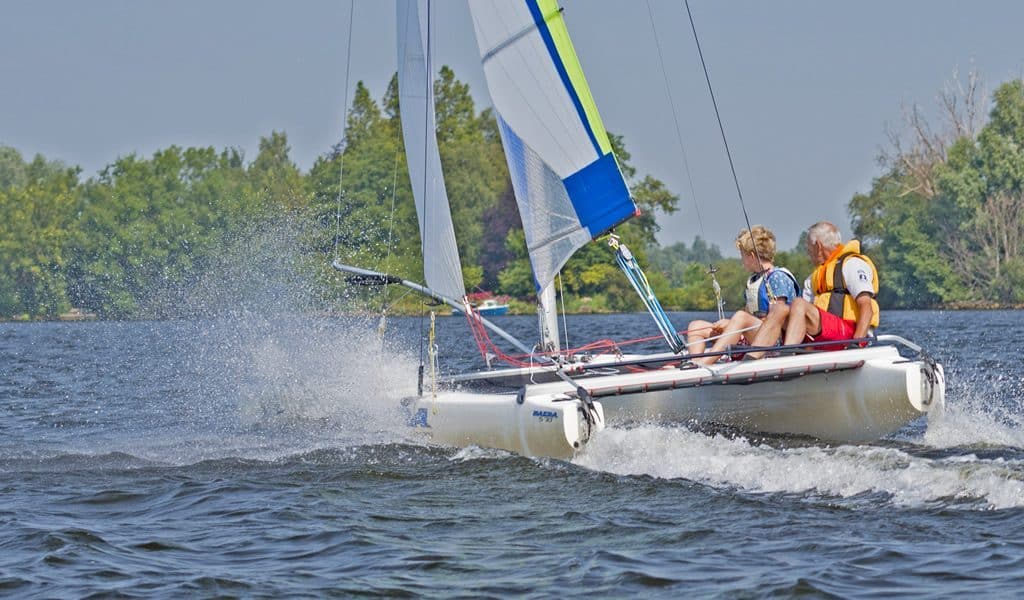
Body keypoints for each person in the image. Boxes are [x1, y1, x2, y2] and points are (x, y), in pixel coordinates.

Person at [745, 221, 879, 358]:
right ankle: (754, 355)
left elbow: (866, 306)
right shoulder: (812, 279)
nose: (807, 252)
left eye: (808, 247)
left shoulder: (852, 265)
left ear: (818, 246)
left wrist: (857, 344)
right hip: (824, 335)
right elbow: (803, 318)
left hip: (849, 334)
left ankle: (787, 354)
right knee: (781, 309)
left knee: (798, 303)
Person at [686, 225, 800, 366]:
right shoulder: (753, 280)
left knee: (740, 316)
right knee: (695, 326)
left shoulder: (778, 278)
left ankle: (705, 362)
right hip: (750, 335)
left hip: (773, 341)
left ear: (751, 256)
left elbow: (778, 317)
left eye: (742, 255)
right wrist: (730, 324)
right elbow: (748, 315)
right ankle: (694, 364)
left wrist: (739, 323)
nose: (741, 261)